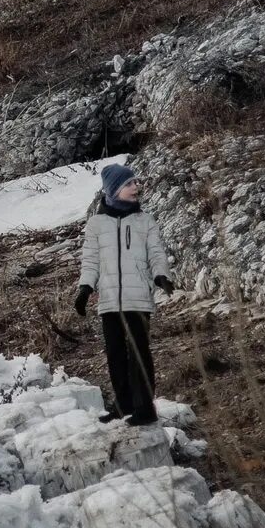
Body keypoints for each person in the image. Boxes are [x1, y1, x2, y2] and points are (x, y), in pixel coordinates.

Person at [74, 163, 173, 427]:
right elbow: (90, 260)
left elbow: (156, 253)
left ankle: (145, 408)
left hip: (138, 298)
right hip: (108, 302)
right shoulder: (95, 224)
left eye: (136, 183)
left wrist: (161, 275)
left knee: (138, 353)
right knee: (116, 355)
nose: (136, 187)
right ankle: (123, 404)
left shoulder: (145, 221)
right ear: (114, 189)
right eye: (129, 183)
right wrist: (85, 288)